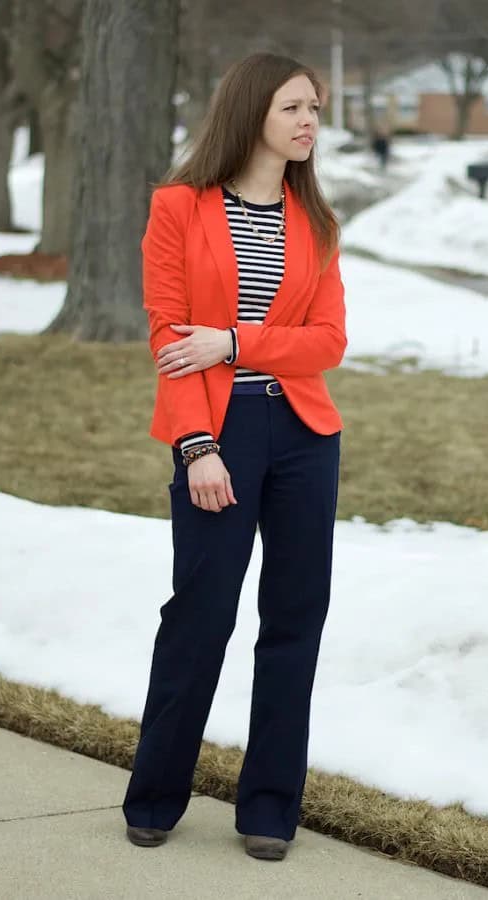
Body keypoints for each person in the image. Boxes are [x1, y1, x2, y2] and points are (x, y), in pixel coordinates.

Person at [122, 51, 347, 862]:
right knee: (202, 613)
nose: (308, 123)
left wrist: (237, 341)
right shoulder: (179, 208)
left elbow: (329, 342)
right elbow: (168, 338)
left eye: (314, 110)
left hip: (305, 437)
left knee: (294, 620)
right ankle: (153, 795)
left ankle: (269, 810)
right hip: (217, 436)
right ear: (253, 110)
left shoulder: (315, 222)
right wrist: (196, 447)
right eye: (294, 107)